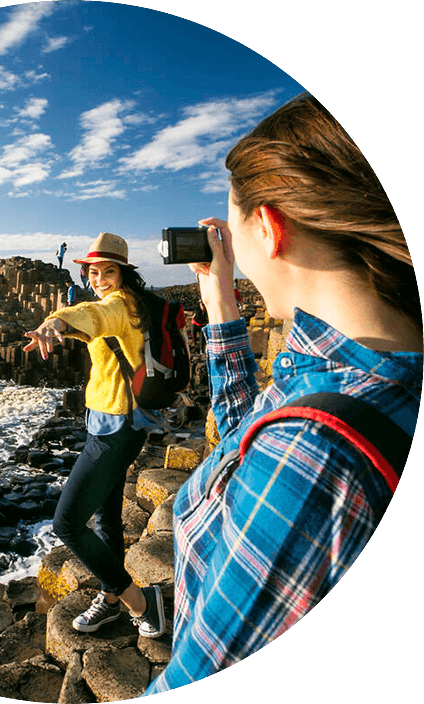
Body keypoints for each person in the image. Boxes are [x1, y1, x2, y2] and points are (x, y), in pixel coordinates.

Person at [144, 93, 422, 693]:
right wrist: (220, 301)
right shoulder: (357, 377)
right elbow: (251, 435)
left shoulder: (315, 457)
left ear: (270, 228)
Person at [24, 232, 166, 638]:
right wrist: (60, 324)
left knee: (67, 523)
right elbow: (89, 317)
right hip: (114, 424)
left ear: (123, 274)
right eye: (94, 271)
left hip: (115, 430)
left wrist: (55, 321)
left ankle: (140, 602)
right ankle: (110, 595)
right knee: (106, 518)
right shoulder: (130, 303)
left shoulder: (119, 304)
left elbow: (93, 315)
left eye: (109, 271)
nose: (100, 278)